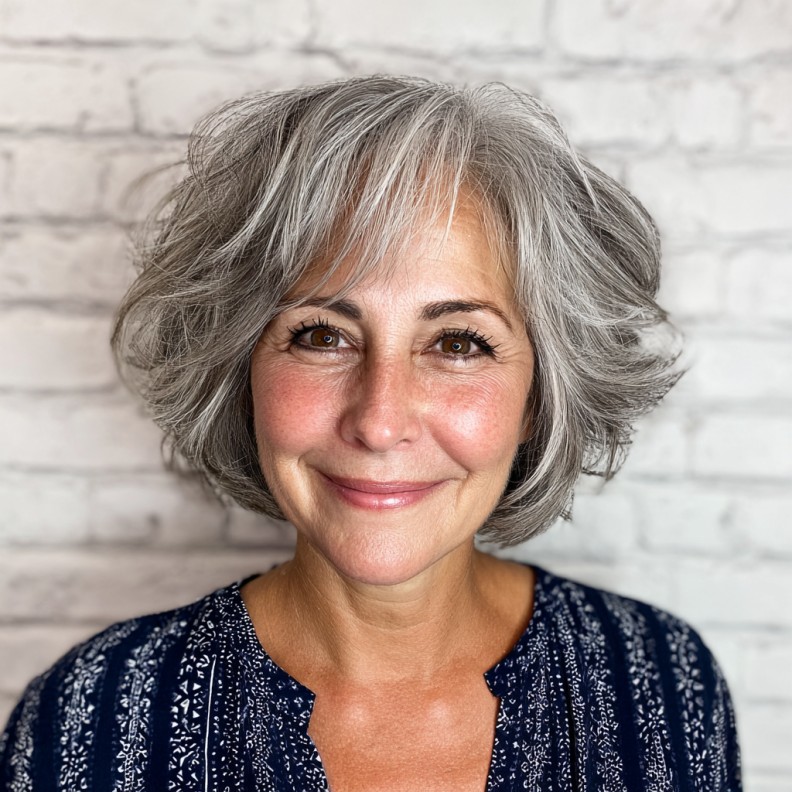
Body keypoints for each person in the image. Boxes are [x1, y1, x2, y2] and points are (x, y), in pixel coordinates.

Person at [0, 75, 741, 791]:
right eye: (322, 335)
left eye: (457, 344)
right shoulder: (92, 718)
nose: (380, 421)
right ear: (240, 369)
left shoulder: (662, 684)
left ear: (540, 399)